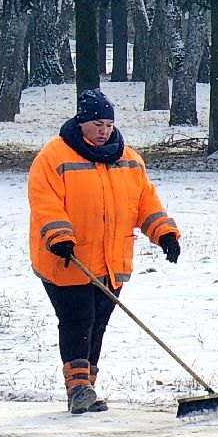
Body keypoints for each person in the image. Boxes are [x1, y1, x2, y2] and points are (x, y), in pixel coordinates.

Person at [28, 88, 181, 414]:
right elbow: (45, 202)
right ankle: (78, 389)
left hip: (112, 260)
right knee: (77, 319)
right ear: (82, 123)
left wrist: (165, 233)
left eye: (108, 125)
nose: (103, 130)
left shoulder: (129, 160)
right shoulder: (54, 157)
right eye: (97, 124)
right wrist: (59, 237)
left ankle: (87, 388)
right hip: (67, 258)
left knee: (97, 322)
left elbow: (145, 204)